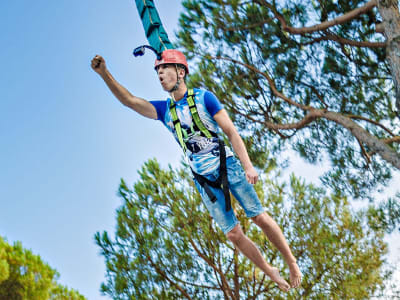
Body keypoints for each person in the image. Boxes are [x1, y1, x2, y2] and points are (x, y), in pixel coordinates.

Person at [91, 50, 302, 291]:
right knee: (233, 235)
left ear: (180, 72)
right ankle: (269, 270)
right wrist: (104, 73)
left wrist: (248, 166)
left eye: (164, 69)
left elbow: (231, 132)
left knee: (258, 216)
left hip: (227, 165)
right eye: (157, 71)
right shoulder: (164, 111)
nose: (159, 74)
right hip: (204, 180)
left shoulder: (204, 98)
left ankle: (291, 261)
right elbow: (129, 101)